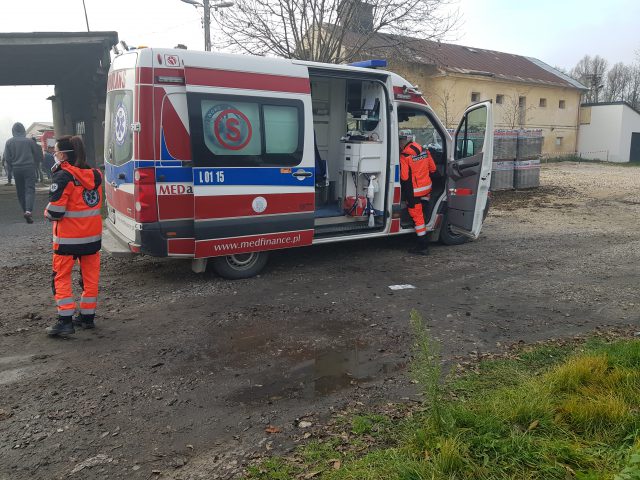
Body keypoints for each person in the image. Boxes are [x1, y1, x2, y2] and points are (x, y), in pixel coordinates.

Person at [44, 135, 103, 336]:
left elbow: (55, 212)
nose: (54, 155)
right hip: (92, 239)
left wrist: (47, 211)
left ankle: (65, 321)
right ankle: (87, 318)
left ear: (64, 155)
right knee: (90, 278)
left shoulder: (63, 177)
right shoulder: (95, 175)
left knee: (61, 277)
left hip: (67, 241)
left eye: (56, 151)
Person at [399, 129, 437, 255]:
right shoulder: (425, 151)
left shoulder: (405, 156)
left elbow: (404, 178)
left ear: (402, 143)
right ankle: (425, 223)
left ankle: (422, 246)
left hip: (414, 192)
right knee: (423, 212)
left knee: (418, 218)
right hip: (427, 189)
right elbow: (433, 168)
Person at [3, 123, 41, 222]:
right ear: (24, 130)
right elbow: (36, 154)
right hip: (29, 168)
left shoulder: (9, 142)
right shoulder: (29, 141)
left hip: (16, 169)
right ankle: (28, 211)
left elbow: (7, 158)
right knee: (29, 189)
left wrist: (10, 172)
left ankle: (25, 210)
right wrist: (35, 165)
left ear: (13, 131)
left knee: (20, 192)